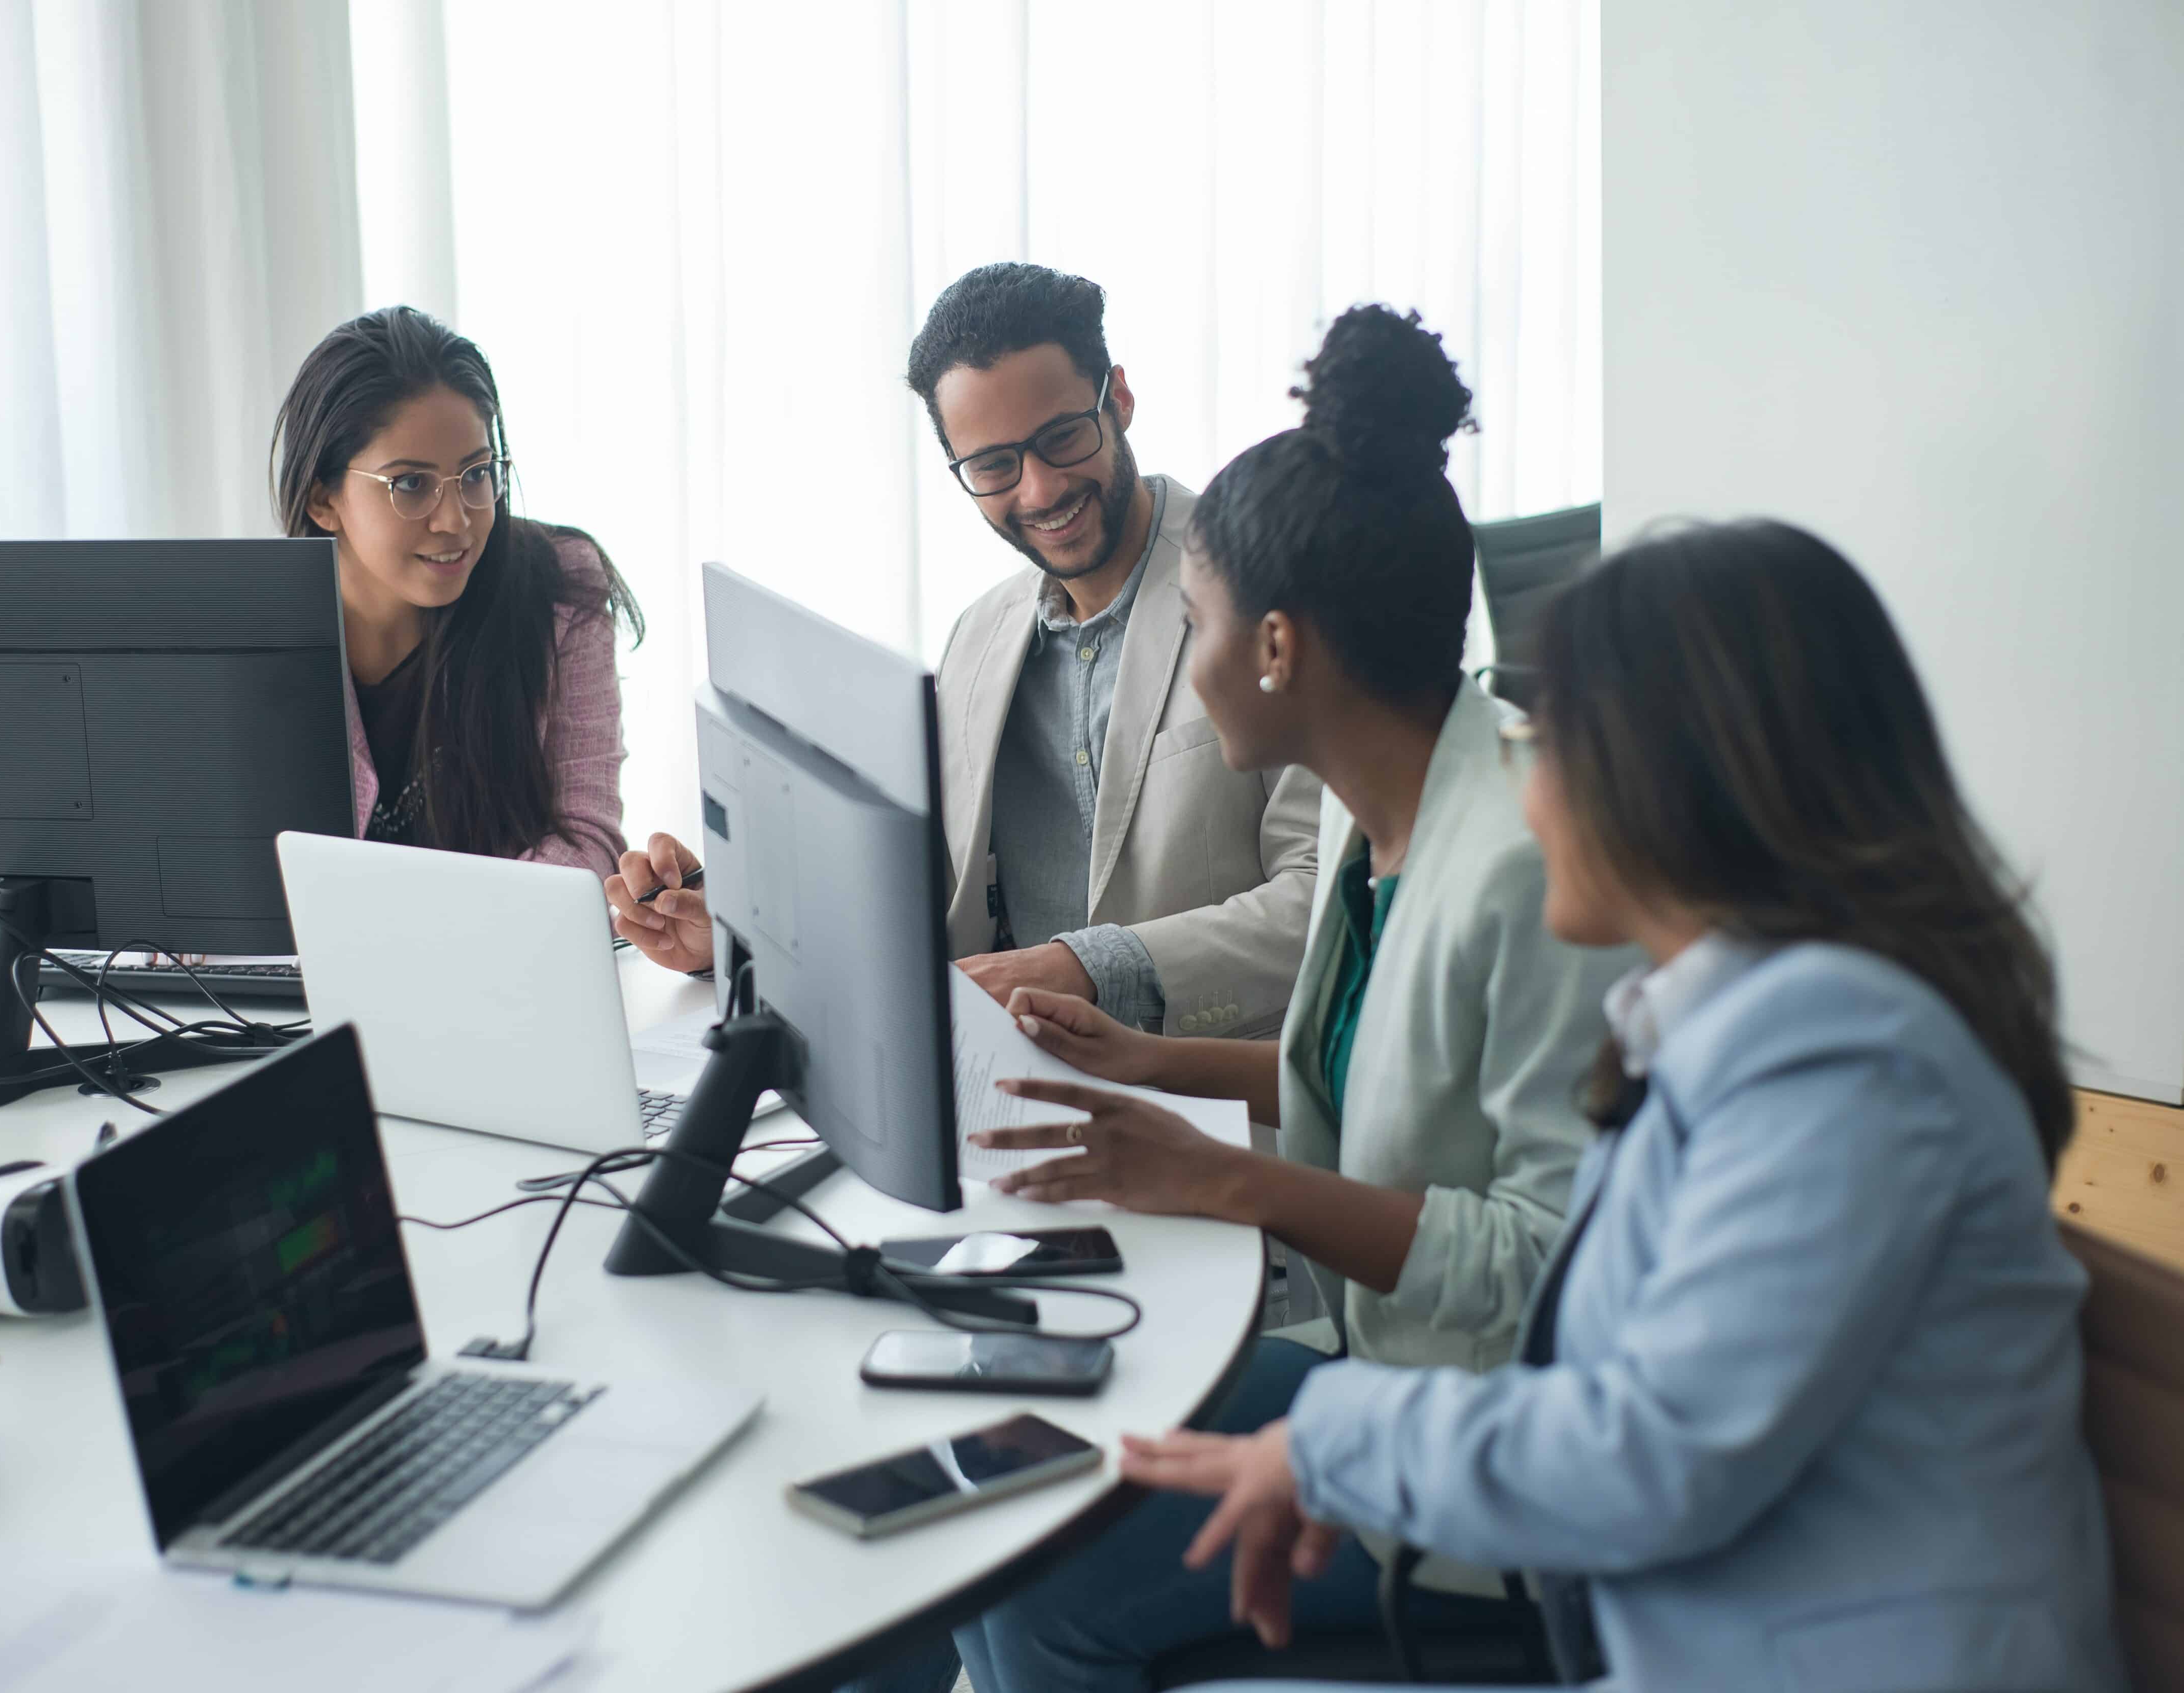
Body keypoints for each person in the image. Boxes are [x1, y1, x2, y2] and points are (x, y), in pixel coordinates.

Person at [1117, 521, 2128, 1692]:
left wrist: (1331, 1444)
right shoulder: (1739, 1021)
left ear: (1678, 771)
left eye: (1545, 742)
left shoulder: (1843, 1059)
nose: (1524, 790)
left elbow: (1652, 1450)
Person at [858, 306, 1635, 1693]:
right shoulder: (1391, 805)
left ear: (1276, 648)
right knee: (959, 1486)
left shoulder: (1522, 866)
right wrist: (1150, 1060)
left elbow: (1543, 1267)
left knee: (1029, 1589)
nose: (1183, 651)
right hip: (1372, 1359)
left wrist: (1231, 1187)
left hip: (1490, 1437)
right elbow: (1389, 1072)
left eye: (1200, 621)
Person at [610, 263, 1318, 1040]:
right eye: (993, 466)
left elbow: (1325, 896)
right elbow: (929, 899)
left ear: (1117, 398)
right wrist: (737, 931)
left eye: (1061, 438)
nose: (1041, 490)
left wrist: (1087, 965)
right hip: (1010, 1081)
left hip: (1217, 1097)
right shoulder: (979, 639)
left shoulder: (1269, 583)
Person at [271, 305, 639, 875]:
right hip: (317, 964)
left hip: (505, 959)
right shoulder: (255, 629)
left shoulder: (559, 592)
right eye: (411, 484)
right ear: (324, 500)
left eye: (475, 474)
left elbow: (587, 842)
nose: (457, 520)